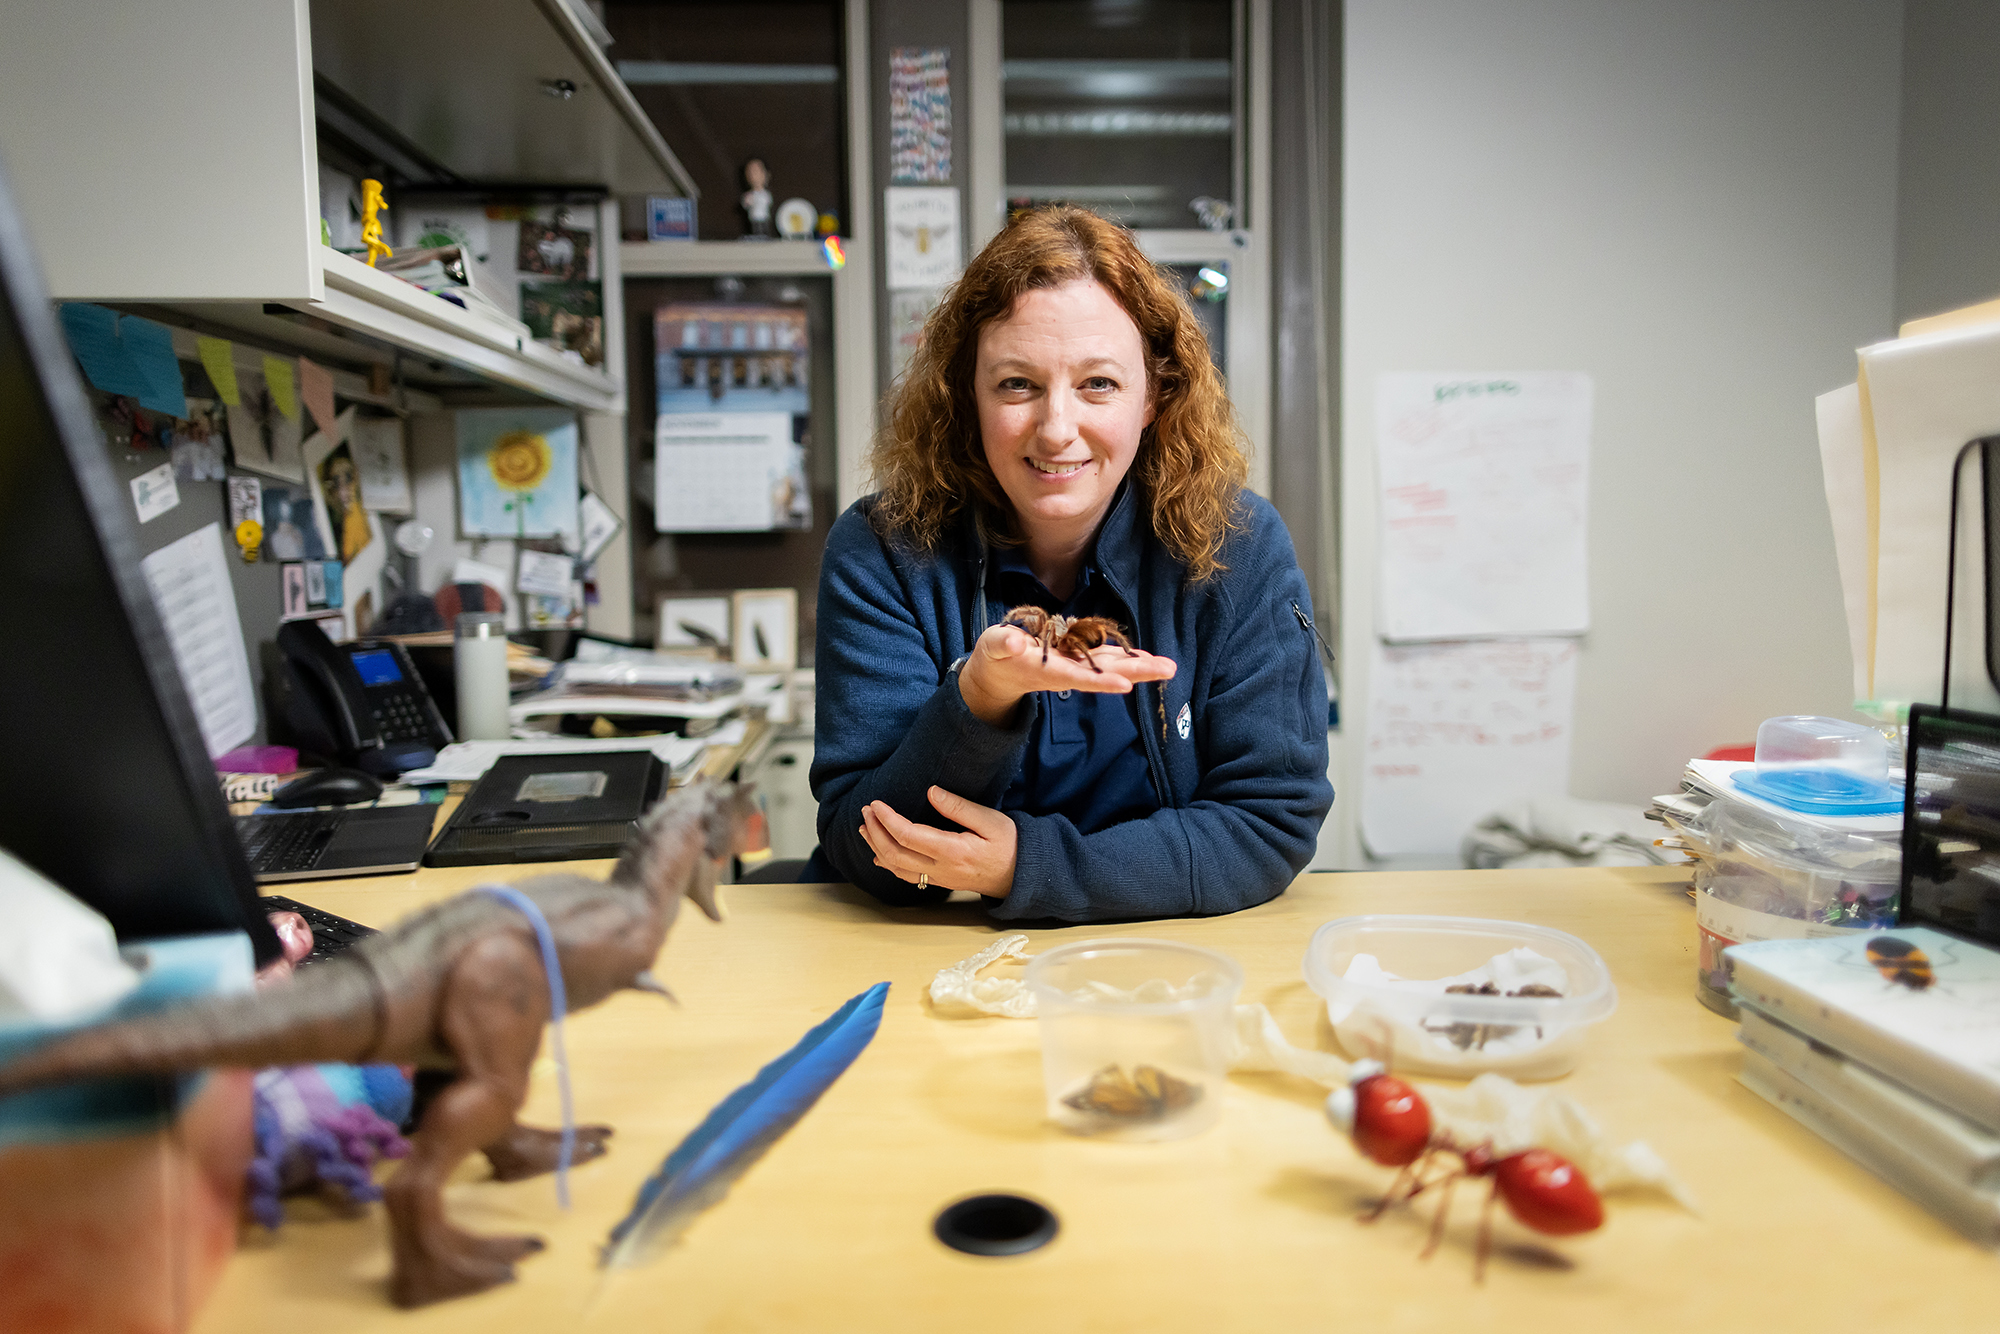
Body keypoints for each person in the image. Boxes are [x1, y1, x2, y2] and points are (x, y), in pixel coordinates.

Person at [811, 205, 1332, 921]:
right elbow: (863, 848)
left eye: (1098, 385)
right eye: (1017, 384)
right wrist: (979, 697)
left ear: (1154, 396)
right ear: (968, 396)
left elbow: (1269, 825)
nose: (1057, 431)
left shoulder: (1236, 545)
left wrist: (1026, 866)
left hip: (1162, 966)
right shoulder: (885, 549)